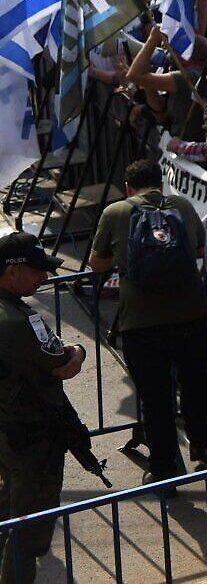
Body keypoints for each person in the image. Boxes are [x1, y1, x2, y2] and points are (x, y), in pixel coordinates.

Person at [87, 156, 207, 479]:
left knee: (156, 400)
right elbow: (200, 248)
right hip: (191, 315)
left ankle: (164, 470)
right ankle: (203, 448)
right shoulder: (181, 206)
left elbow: (96, 265)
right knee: (196, 386)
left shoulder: (116, 213)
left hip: (140, 324)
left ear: (128, 187)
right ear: (161, 182)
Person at [0, 233, 86, 583]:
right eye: (36, 270)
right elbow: (64, 364)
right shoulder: (19, 320)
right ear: (11, 271)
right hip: (30, 440)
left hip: (7, 434)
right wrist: (78, 349)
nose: (44, 278)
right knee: (28, 529)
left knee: (7, 513)